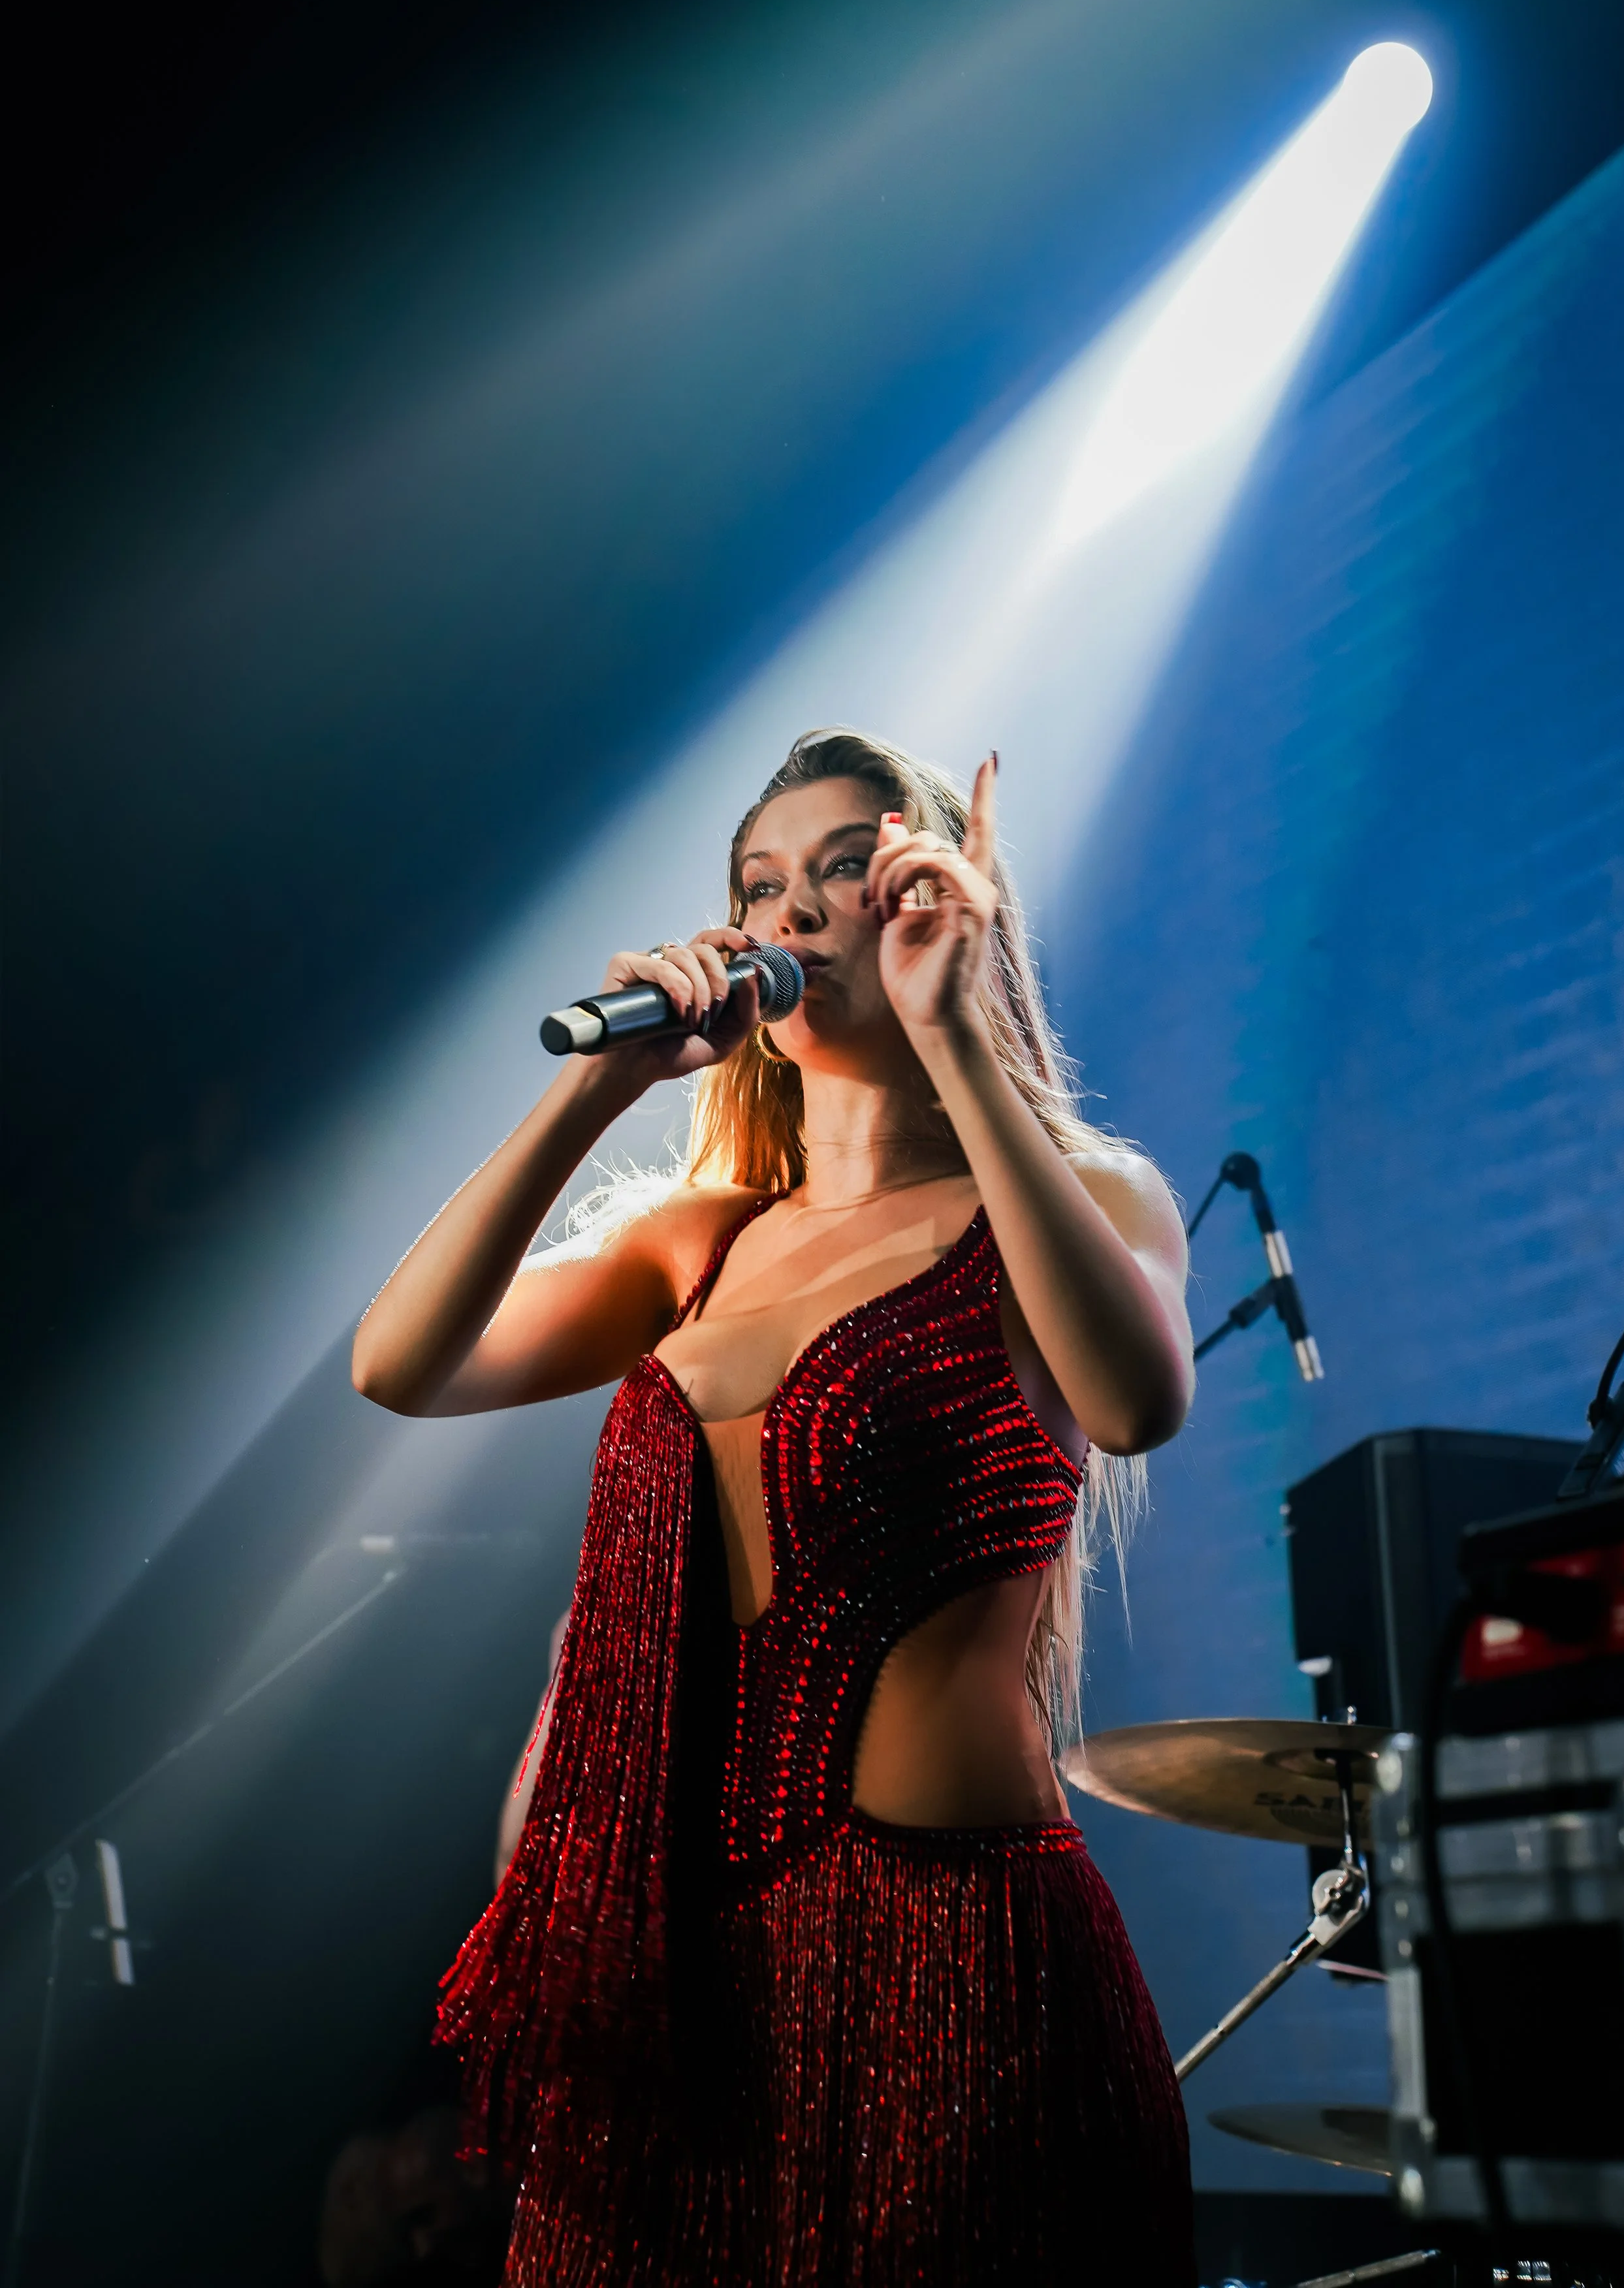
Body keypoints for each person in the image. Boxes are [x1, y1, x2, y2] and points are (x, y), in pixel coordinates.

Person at [352, 728, 1196, 2287]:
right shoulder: (696, 1243)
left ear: (933, 905)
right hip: (682, 2001)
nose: (791, 909)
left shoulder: (1073, 1200)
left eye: (842, 870)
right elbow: (401, 1364)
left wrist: (956, 1038)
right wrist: (593, 1098)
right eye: (759, 885)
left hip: (949, 1970)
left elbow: (1136, 1401)